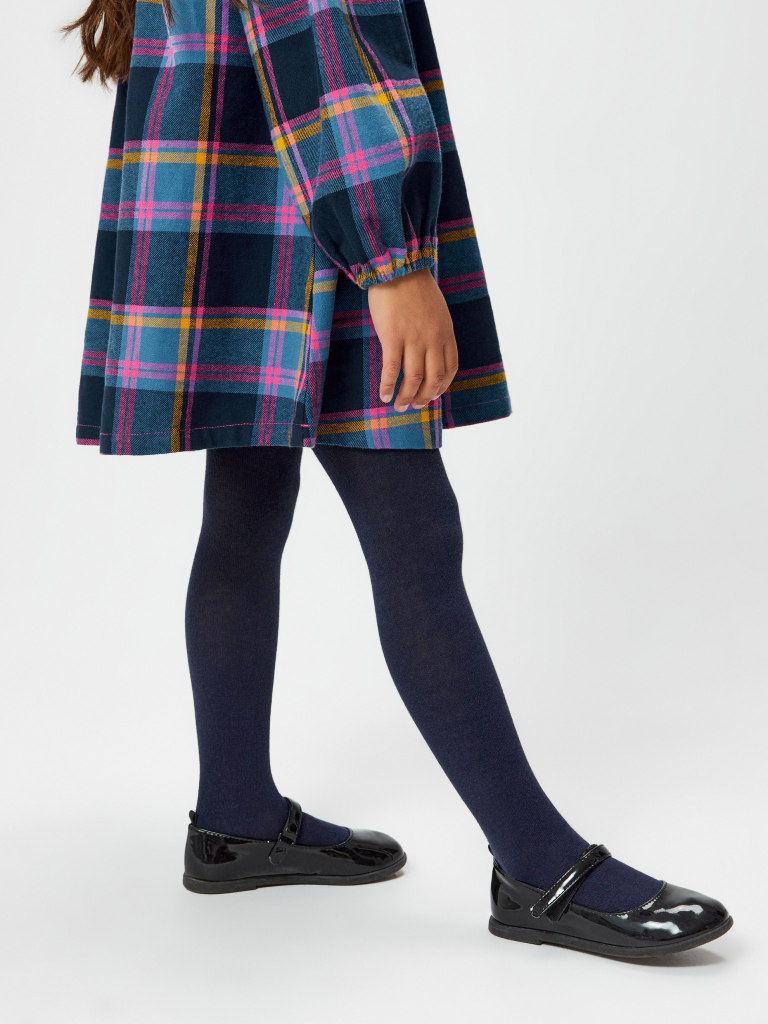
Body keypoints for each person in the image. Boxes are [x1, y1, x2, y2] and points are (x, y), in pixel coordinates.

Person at [65, 0, 731, 958]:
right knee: (411, 529)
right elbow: (320, 38)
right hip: (316, 214)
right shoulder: (359, 231)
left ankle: (236, 816)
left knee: (246, 502)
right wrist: (393, 262)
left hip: (229, 181)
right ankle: (538, 864)